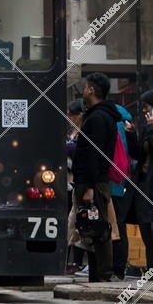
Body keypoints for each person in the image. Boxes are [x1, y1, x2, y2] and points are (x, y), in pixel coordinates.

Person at [72, 72, 123, 283]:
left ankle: (103, 276)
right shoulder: (99, 116)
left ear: (91, 90)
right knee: (90, 228)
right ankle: (96, 275)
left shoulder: (98, 118)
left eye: (85, 87)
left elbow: (95, 154)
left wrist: (90, 188)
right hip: (91, 182)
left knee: (100, 229)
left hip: (93, 183)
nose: (83, 91)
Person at [124, 89, 153, 272]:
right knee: (145, 229)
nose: (145, 112)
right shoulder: (148, 128)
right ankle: (151, 270)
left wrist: (152, 127)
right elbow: (137, 154)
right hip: (142, 183)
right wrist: (131, 134)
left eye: (148, 107)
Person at [110, 100, 139, 280]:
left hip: (110, 182)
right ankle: (118, 269)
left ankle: (116, 268)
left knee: (114, 227)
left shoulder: (111, 123)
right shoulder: (127, 125)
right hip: (121, 183)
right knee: (119, 227)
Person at [65, 99, 88, 276]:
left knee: (80, 223)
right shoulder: (70, 132)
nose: (68, 117)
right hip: (68, 185)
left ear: (79, 115)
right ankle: (70, 261)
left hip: (79, 182)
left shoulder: (84, 132)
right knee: (71, 223)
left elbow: (77, 154)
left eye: (71, 114)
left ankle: (78, 262)